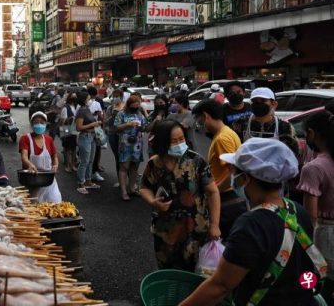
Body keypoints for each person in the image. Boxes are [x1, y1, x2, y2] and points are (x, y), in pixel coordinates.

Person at [181, 138, 327, 306]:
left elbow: (220, 285)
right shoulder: (297, 210)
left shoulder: (251, 225)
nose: (232, 178)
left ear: (245, 178)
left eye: (235, 173)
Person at [140, 120, 221, 271]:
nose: (179, 144)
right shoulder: (154, 163)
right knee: (167, 269)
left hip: (195, 229)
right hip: (165, 229)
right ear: (163, 142)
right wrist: (152, 201)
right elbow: (145, 187)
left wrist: (215, 225)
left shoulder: (196, 161)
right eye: (174, 141)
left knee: (193, 271)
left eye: (181, 139)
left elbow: (213, 192)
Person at [193, 99, 246, 239]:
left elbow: (232, 171)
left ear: (205, 116)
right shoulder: (226, 132)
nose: (198, 124)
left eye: (198, 119)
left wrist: (214, 192)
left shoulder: (222, 138)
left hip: (226, 198)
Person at [296, 110, 334, 304]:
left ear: (312, 133)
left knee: (316, 286)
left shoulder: (313, 168)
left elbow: (310, 216)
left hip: (324, 235)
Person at [242, 87, 298, 157]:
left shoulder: (284, 127)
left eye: (263, 101)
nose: (258, 104)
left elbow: (292, 154)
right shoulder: (242, 123)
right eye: (255, 101)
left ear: (274, 104)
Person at [19, 112, 61, 203]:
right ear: (32, 124)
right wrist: (29, 164)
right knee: (33, 206)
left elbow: (54, 156)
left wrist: (55, 165)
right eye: (36, 122)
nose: (39, 125)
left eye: (42, 122)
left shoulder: (48, 139)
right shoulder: (25, 138)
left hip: (48, 181)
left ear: (46, 124)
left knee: (55, 204)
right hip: (32, 180)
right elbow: (24, 156)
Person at [115, 94, 148, 200]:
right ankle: (124, 191)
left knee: (134, 167)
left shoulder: (139, 114)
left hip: (137, 144)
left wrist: (142, 127)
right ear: (129, 105)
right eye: (133, 106)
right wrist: (128, 124)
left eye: (137, 106)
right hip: (125, 144)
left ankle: (132, 189)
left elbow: (145, 127)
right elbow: (116, 127)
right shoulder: (121, 114)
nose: (135, 108)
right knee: (124, 167)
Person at [75, 90, 103, 194]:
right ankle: (80, 183)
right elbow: (79, 127)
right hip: (85, 137)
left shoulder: (86, 109)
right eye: (88, 98)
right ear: (84, 100)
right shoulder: (81, 111)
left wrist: (96, 124)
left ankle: (88, 181)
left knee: (90, 160)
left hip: (92, 136)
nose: (90, 99)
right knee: (84, 161)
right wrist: (93, 124)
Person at [104, 89, 124, 178]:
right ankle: (120, 179)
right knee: (117, 157)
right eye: (114, 96)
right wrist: (113, 115)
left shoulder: (126, 107)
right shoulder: (110, 108)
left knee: (125, 157)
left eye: (117, 96)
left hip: (123, 134)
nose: (115, 98)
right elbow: (105, 122)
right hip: (112, 134)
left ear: (121, 97)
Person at [87, 86, 105, 181]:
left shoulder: (97, 103)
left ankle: (92, 172)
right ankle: (88, 174)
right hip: (88, 130)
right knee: (90, 152)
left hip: (95, 130)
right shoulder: (84, 104)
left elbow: (101, 116)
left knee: (95, 151)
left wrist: (99, 117)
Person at [59, 91, 79, 173]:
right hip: (67, 129)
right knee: (67, 148)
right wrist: (71, 118)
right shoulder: (65, 107)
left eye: (75, 97)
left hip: (74, 129)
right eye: (73, 97)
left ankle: (73, 165)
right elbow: (63, 121)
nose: (74, 98)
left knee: (73, 148)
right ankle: (68, 165)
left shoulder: (75, 106)